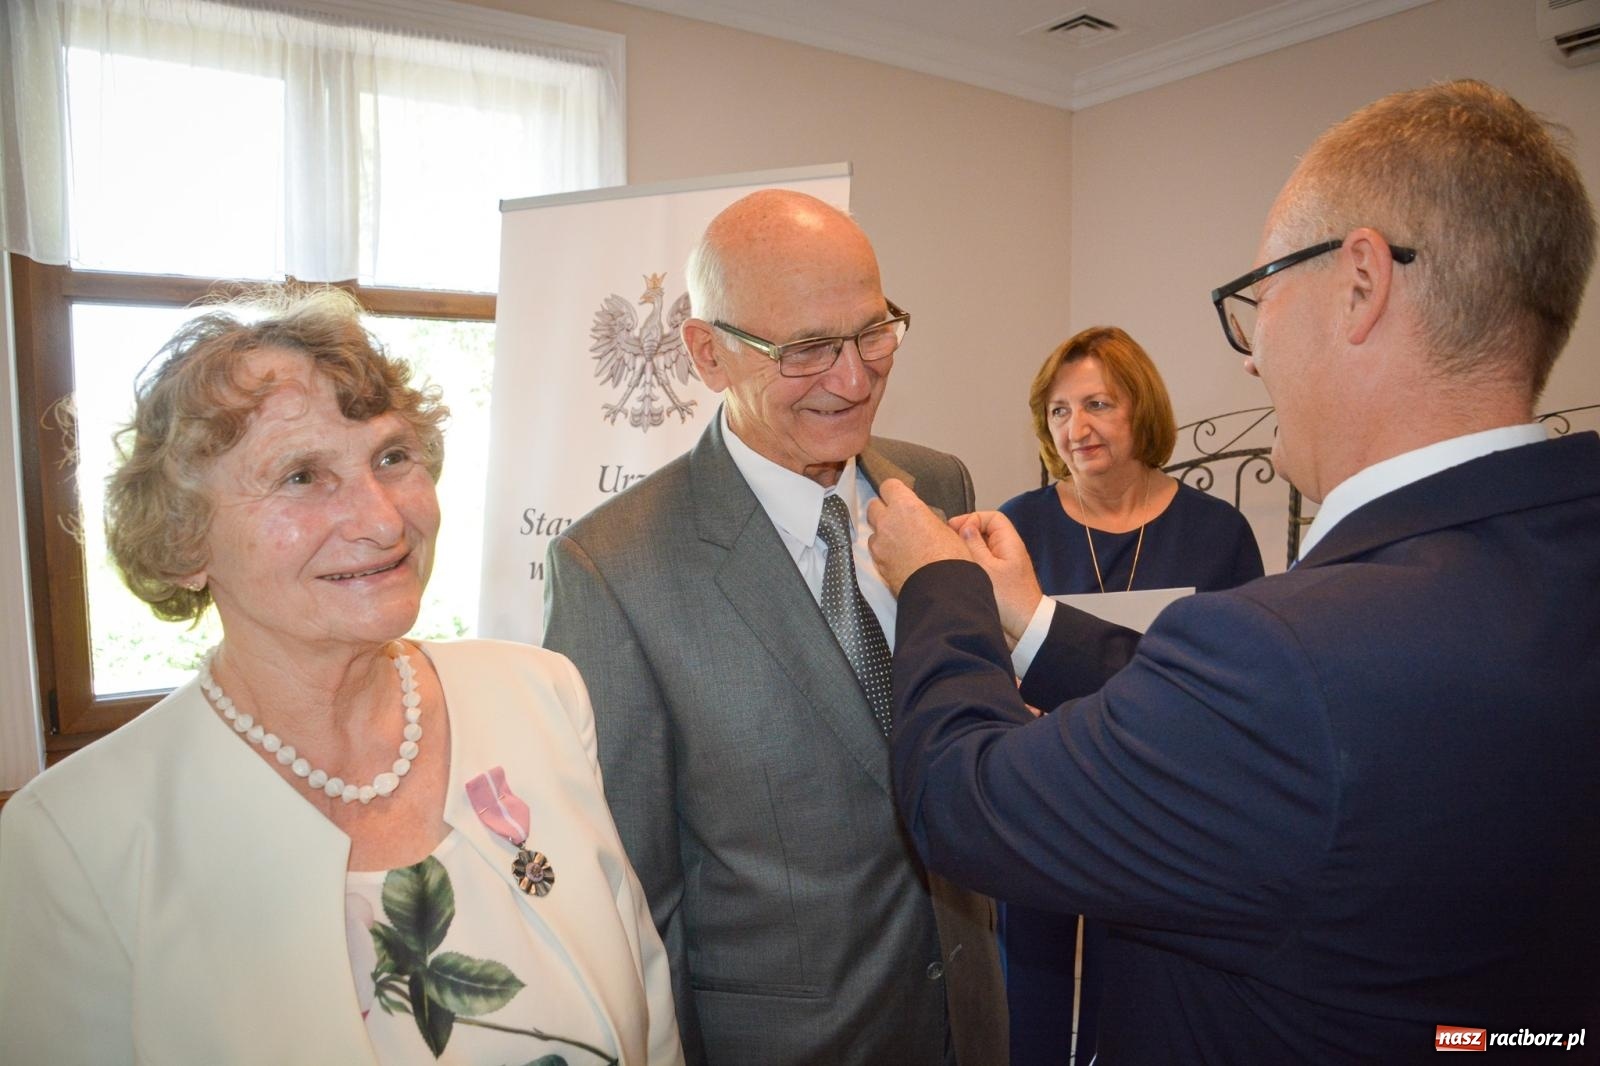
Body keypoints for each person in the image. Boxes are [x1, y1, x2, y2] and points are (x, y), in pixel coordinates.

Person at [868, 79, 1600, 1063]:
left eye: (1255, 298)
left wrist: (938, 581)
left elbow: (966, 798)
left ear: (1359, 283)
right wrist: (1033, 618)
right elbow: (1244, 736)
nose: (1250, 358)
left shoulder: (1286, 657)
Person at [0, 290, 682, 1065]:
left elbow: (648, 1010)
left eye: (393, 457)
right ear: (183, 541)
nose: (385, 520)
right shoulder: (76, 838)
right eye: (300, 476)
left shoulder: (540, 696)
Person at [543, 189, 1007, 1066]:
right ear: (706, 353)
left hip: (972, 1024)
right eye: (807, 350)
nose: (856, 377)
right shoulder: (614, 570)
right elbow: (632, 899)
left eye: (875, 332)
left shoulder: (938, 486)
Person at [997, 325, 1263, 1065]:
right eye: (1058, 411)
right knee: (1031, 987)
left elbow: (1244, 677)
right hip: (1047, 787)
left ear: (1140, 409)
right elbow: (984, 652)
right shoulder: (1018, 525)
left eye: (1098, 404)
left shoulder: (1219, 532)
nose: (1075, 428)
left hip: (1163, 798)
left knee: (1146, 991)